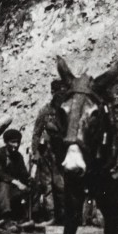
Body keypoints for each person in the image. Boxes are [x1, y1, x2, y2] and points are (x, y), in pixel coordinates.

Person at [31, 79, 66, 224]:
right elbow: (36, 133)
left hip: (63, 153)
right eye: (58, 92)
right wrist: (35, 153)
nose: (61, 95)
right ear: (52, 92)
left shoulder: (68, 111)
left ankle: (64, 216)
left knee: (62, 185)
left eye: (63, 91)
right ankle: (51, 216)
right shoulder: (45, 111)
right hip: (46, 153)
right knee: (47, 186)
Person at [0, 129, 31, 222]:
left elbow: (23, 173)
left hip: (12, 188)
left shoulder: (18, 156)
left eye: (18, 142)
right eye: (13, 142)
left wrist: (29, 180)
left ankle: (27, 216)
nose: (16, 145)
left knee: (34, 185)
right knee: (4, 184)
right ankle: (6, 216)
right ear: (6, 142)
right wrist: (16, 182)